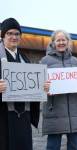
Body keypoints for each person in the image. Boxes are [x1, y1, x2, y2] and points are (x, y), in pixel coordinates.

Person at [40, 30, 77, 150]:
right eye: (58, 40)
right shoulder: (44, 61)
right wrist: (44, 88)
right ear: (53, 42)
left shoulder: (75, 61)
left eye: (63, 40)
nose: (61, 42)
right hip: (54, 112)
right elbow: (39, 86)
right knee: (53, 146)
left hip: (74, 113)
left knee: (74, 146)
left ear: (68, 42)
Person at [0, 18, 40, 150]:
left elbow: (32, 87)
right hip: (3, 118)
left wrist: (41, 88)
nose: (13, 37)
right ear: (3, 35)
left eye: (17, 34)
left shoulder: (25, 59)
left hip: (23, 117)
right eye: (9, 33)